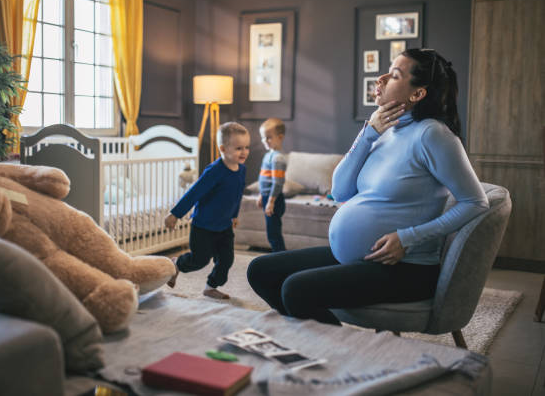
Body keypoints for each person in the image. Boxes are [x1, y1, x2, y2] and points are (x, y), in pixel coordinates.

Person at [247, 49, 489, 325]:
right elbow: (339, 191)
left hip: (406, 269)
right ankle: (320, 341)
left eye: (395, 75)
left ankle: (337, 352)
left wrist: (408, 237)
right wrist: (367, 134)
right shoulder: (384, 130)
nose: (381, 78)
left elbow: (476, 202)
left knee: (296, 289)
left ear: (417, 94)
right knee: (260, 270)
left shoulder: (432, 135)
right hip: (362, 258)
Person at [164, 122, 250, 299]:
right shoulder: (215, 171)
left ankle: (211, 286)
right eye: (238, 148)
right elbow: (194, 193)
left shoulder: (242, 170)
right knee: (199, 260)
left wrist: (234, 215)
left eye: (246, 147)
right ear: (223, 149)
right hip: (203, 226)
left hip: (224, 226)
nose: (244, 152)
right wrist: (175, 214)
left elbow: (237, 194)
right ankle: (177, 264)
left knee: (226, 260)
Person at [257, 117, 287, 252]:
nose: (265, 141)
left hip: (274, 199)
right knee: (271, 232)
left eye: (269, 138)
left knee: (273, 234)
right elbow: (265, 180)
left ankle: (281, 259)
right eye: (263, 138)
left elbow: (278, 182)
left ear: (280, 137)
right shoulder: (268, 155)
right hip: (266, 197)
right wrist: (260, 194)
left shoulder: (277, 158)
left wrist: (270, 201)